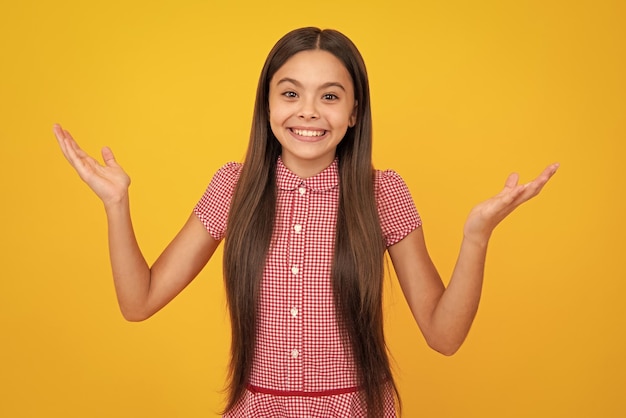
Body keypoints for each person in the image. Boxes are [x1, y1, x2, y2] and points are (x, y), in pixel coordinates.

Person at [53, 27, 558, 418]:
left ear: (355, 111)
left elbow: (444, 336)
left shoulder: (383, 193)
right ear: (268, 104)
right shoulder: (234, 187)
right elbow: (138, 301)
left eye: (331, 96)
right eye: (290, 93)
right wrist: (116, 204)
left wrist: (476, 236)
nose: (309, 112)